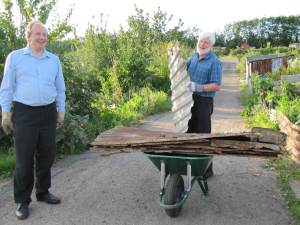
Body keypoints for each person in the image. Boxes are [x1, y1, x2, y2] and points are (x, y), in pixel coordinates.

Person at [0, 20, 66, 220]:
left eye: (45, 34)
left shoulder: (53, 60)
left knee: (47, 154)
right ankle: (22, 200)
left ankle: (43, 192)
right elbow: (7, 87)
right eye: (38, 34)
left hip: (48, 113)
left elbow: (60, 87)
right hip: (24, 113)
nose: (42, 38)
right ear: (28, 36)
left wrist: (61, 111)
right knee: (24, 159)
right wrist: (5, 112)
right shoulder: (16, 57)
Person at [186, 32, 222, 176]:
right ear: (198, 41)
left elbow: (216, 86)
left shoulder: (214, 61)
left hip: (204, 102)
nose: (203, 44)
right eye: (201, 41)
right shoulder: (193, 57)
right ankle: (190, 164)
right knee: (189, 131)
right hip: (189, 99)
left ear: (211, 45)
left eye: (206, 42)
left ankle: (207, 170)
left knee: (203, 135)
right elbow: (184, 70)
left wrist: (198, 87)